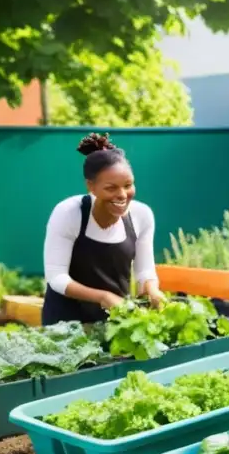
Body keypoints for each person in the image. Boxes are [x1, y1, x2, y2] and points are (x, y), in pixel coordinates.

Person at [42, 132, 164, 325]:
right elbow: (56, 277)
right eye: (111, 188)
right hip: (65, 324)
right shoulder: (69, 213)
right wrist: (103, 297)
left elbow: (144, 271)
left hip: (115, 322)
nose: (122, 195)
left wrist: (152, 289)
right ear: (91, 186)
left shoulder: (142, 215)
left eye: (128, 185)